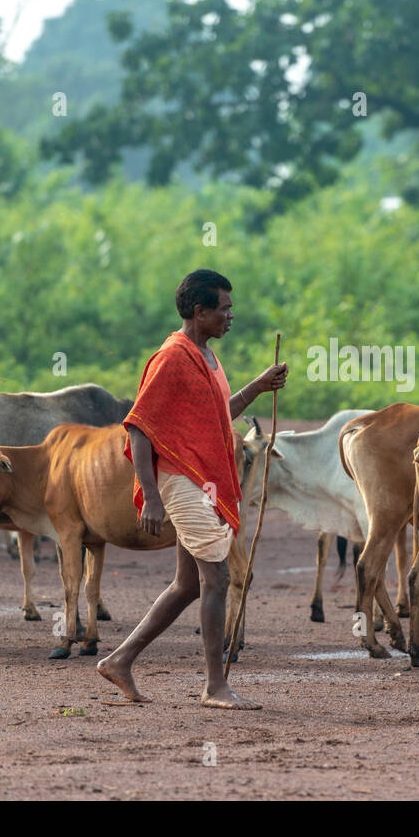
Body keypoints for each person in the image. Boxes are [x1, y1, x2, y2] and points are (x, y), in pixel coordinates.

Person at [96, 269, 287, 709]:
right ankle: (215, 687)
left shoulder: (206, 357)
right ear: (199, 312)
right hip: (182, 481)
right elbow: (139, 428)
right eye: (223, 308)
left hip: (201, 481)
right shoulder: (172, 358)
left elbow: (219, 416)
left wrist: (257, 387)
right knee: (216, 577)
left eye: (230, 308)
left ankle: (119, 660)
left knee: (187, 584)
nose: (230, 316)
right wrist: (153, 495)